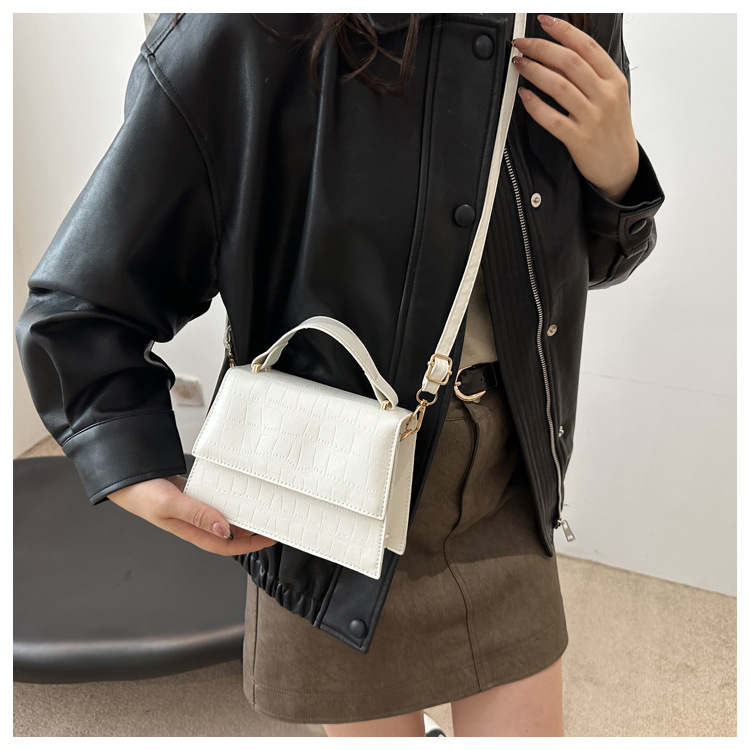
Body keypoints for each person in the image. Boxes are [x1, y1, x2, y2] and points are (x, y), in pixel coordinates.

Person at [16, 13, 664, 737]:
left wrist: (618, 170)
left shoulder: (569, 19)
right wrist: (125, 454)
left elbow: (585, 265)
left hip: (506, 483)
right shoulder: (247, 29)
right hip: (325, 499)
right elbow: (80, 305)